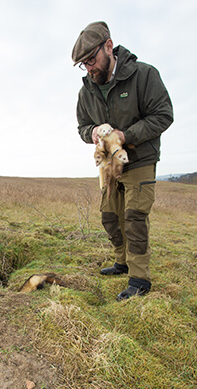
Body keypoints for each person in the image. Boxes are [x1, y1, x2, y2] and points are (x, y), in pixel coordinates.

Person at [72, 21, 173, 300]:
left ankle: (139, 279)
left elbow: (163, 115)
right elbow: (81, 126)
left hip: (139, 158)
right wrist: (91, 132)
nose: (89, 68)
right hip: (108, 165)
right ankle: (122, 261)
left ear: (108, 46)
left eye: (91, 59)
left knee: (135, 218)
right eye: (83, 64)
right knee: (110, 216)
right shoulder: (87, 91)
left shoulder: (144, 75)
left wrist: (125, 135)